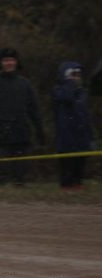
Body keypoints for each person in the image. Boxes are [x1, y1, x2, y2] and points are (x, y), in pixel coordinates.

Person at [0, 48, 45, 185]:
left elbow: (34, 109)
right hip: (0, 134)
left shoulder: (24, 83)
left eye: (11, 60)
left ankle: (19, 190)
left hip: (21, 133)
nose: (9, 63)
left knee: (21, 174)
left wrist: (39, 130)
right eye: (5, 60)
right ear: (0, 63)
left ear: (16, 62)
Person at [51, 62, 94, 190]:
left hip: (81, 136)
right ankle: (66, 188)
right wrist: (69, 83)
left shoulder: (82, 92)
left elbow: (85, 115)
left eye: (78, 75)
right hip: (66, 137)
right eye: (73, 74)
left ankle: (77, 185)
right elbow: (66, 98)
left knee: (79, 166)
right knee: (67, 166)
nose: (76, 77)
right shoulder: (58, 90)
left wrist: (89, 137)